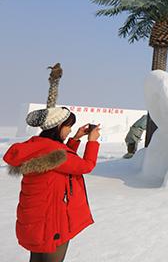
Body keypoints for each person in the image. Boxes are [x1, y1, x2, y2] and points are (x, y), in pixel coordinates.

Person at [3, 107, 101, 262]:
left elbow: (62, 160)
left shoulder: (37, 145)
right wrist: (92, 141)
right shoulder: (53, 150)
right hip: (52, 221)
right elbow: (85, 165)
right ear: (58, 126)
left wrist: (75, 139)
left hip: (34, 220)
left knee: (36, 257)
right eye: (68, 127)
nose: (69, 131)